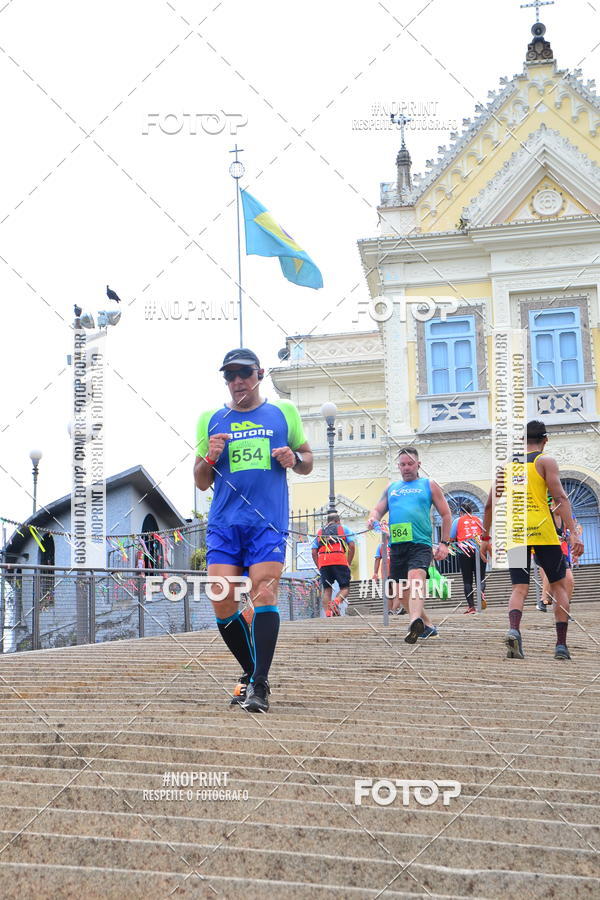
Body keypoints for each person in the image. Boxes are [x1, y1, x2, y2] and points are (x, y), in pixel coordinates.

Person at [194, 348, 313, 712]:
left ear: (259, 373)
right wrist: (210, 456)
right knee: (221, 596)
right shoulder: (210, 419)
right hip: (225, 523)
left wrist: (294, 459)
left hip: (267, 523)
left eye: (243, 373)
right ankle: (251, 671)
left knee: (263, 592)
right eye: (229, 375)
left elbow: (307, 460)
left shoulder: (283, 413)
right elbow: (200, 481)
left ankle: (258, 686)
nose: (237, 381)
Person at [480, 420, 584, 661]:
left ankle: (514, 629)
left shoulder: (507, 466)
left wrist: (485, 537)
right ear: (545, 440)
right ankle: (561, 645)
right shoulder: (545, 461)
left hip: (516, 534)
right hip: (544, 532)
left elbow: (488, 504)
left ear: (521, 440)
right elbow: (560, 497)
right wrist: (573, 532)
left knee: (519, 588)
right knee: (558, 587)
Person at [367, 447, 451, 642]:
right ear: (398, 466)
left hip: (420, 543)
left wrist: (445, 543)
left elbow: (446, 514)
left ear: (418, 464)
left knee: (415, 579)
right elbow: (378, 510)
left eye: (410, 464)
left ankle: (413, 620)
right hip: (397, 545)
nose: (406, 468)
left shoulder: (428, 484)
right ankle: (426, 625)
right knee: (401, 592)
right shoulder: (392, 488)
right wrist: (373, 518)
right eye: (403, 464)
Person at [311, 512, 355, 616]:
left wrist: (319, 566)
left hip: (324, 562)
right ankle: (336, 602)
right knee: (345, 588)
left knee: (327, 589)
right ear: (338, 521)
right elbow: (352, 546)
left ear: (327, 522)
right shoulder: (343, 529)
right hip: (339, 560)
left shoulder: (320, 532)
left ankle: (328, 613)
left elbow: (313, 552)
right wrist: (348, 562)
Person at [451, 504, 487, 614]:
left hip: (465, 550)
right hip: (480, 550)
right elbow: (486, 535)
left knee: (467, 580)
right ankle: (481, 595)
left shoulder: (457, 521)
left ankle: (471, 607)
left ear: (461, 513)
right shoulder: (479, 520)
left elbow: (452, 538)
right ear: (471, 512)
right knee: (480, 578)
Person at [373, 541, 406, 615]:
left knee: (392, 593)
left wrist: (375, 573)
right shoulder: (383, 545)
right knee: (393, 593)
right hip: (391, 572)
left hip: (391, 571)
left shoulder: (382, 545)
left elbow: (377, 559)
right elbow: (377, 559)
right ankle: (392, 610)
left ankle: (392, 610)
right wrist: (375, 573)